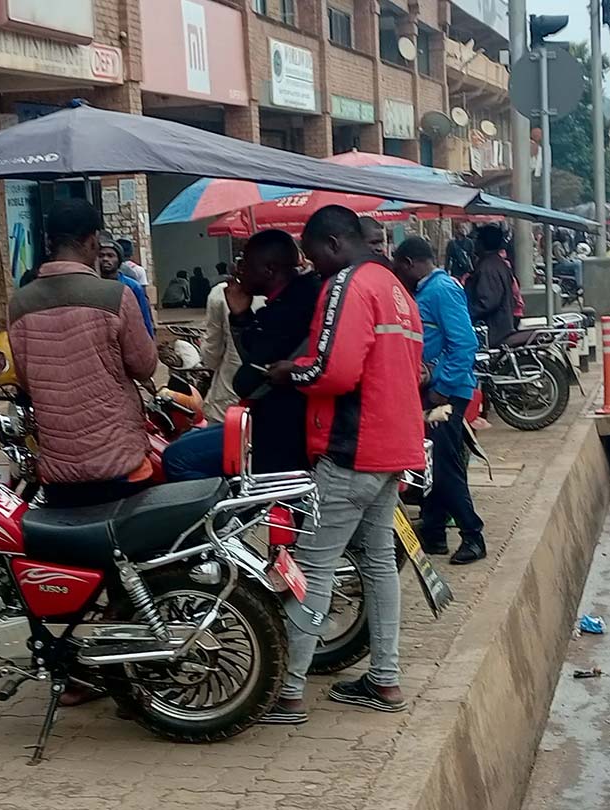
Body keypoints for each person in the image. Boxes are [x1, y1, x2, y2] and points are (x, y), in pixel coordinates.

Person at [261, 205, 424, 724]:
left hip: (352, 449)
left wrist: (290, 373)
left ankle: (285, 693)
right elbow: (412, 367)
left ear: (332, 243)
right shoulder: (395, 286)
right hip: (393, 445)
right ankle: (385, 679)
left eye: (311, 255)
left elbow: (335, 372)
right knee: (378, 564)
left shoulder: (346, 286)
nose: (309, 266)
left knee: (313, 567)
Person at [7, 199, 157, 509]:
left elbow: (25, 380)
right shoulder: (115, 295)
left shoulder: (19, 304)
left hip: (59, 472)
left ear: (48, 242)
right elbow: (145, 367)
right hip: (120, 465)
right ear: (91, 242)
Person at [163, 230, 320, 479]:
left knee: (177, 459)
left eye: (245, 264)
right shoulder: (290, 298)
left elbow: (252, 368)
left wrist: (240, 316)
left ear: (269, 269)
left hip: (280, 431)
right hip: (267, 419)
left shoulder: (292, 307)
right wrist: (240, 315)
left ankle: (227, 515)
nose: (238, 270)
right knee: (187, 441)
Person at [392, 237, 486, 565]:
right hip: (434, 389)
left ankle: (472, 535)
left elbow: (464, 344)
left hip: (447, 393)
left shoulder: (442, 290)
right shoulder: (426, 291)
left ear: (408, 263)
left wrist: (441, 388)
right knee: (430, 463)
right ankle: (433, 533)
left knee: (445, 467)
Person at [197, 276, 264, 424]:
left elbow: (211, 356)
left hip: (229, 397)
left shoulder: (223, 293)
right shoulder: (293, 290)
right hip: (275, 403)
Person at [465, 224, 515, 347]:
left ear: (483, 243)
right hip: (502, 326)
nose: (474, 244)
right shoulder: (497, 263)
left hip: (493, 331)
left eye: (476, 240)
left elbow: (487, 302)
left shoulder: (488, 267)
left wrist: (467, 313)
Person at [97, 235, 154, 337]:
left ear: (119, 260)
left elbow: (144, 317)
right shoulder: (93, 284)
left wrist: (150, 338)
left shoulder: (132, 286)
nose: (105, 259)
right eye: (101, 256)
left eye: (110, 256)